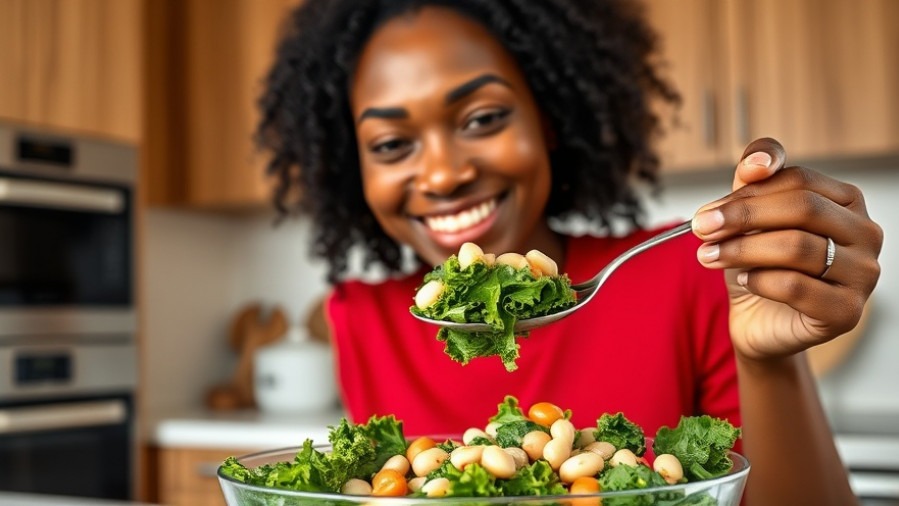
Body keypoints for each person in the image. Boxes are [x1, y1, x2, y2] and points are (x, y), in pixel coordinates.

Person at [255, 1, 882, 504]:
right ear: (352, 165)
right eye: (392, 144)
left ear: (546, 119)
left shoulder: (692, 268)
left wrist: (771, 360)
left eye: (482, 118)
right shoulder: (362, 319)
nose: (443, 175)